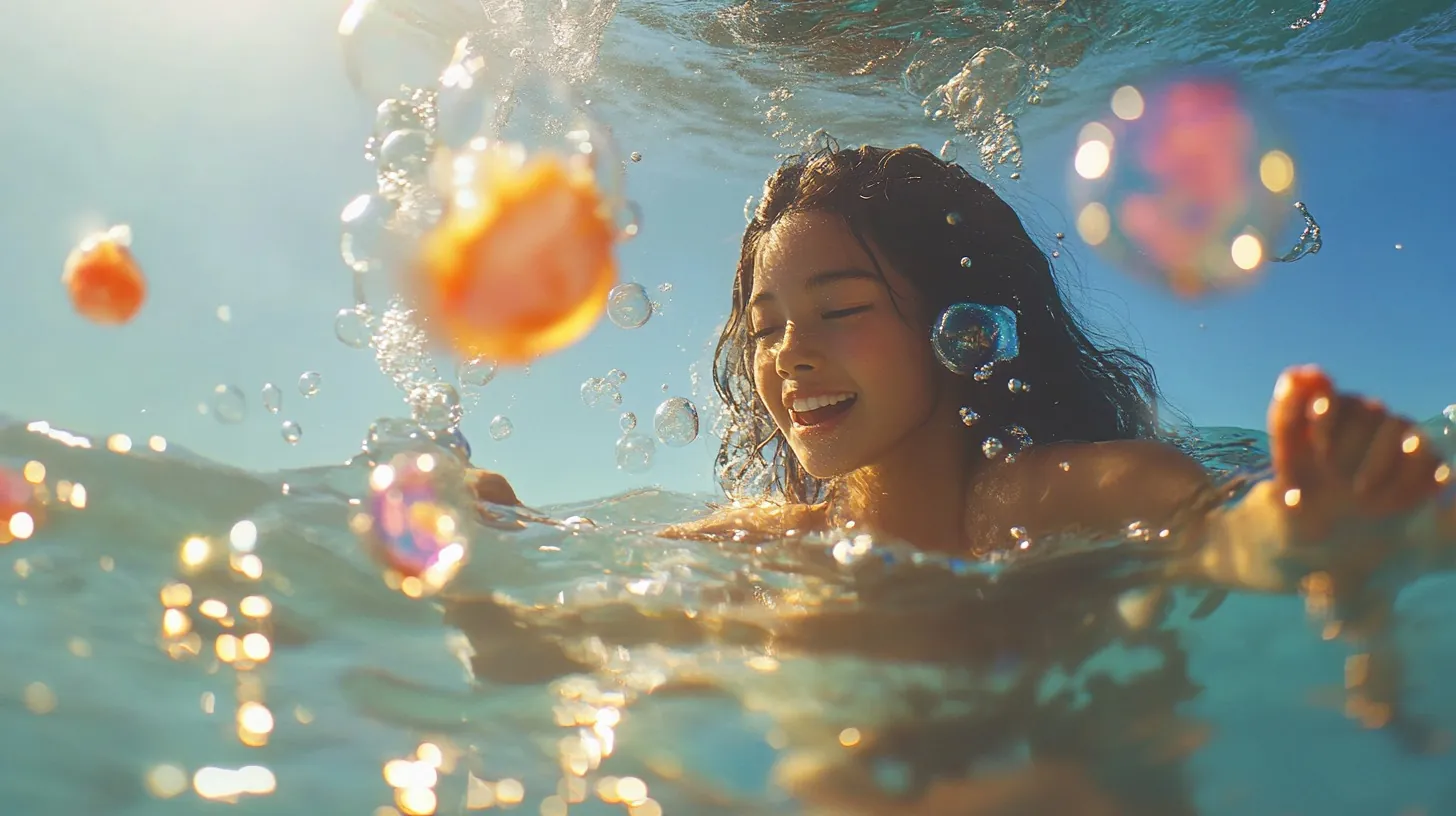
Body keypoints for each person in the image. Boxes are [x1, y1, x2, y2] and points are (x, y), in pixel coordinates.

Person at [459, 141, 1454, 813]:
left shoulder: (1054, 494)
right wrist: (478, 568)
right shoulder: (764, 542)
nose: (787, 357)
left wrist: (1314, 516)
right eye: (763, 329)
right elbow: (542, 657)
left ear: (958, 322)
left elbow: (1219, 532)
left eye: (840, 309)